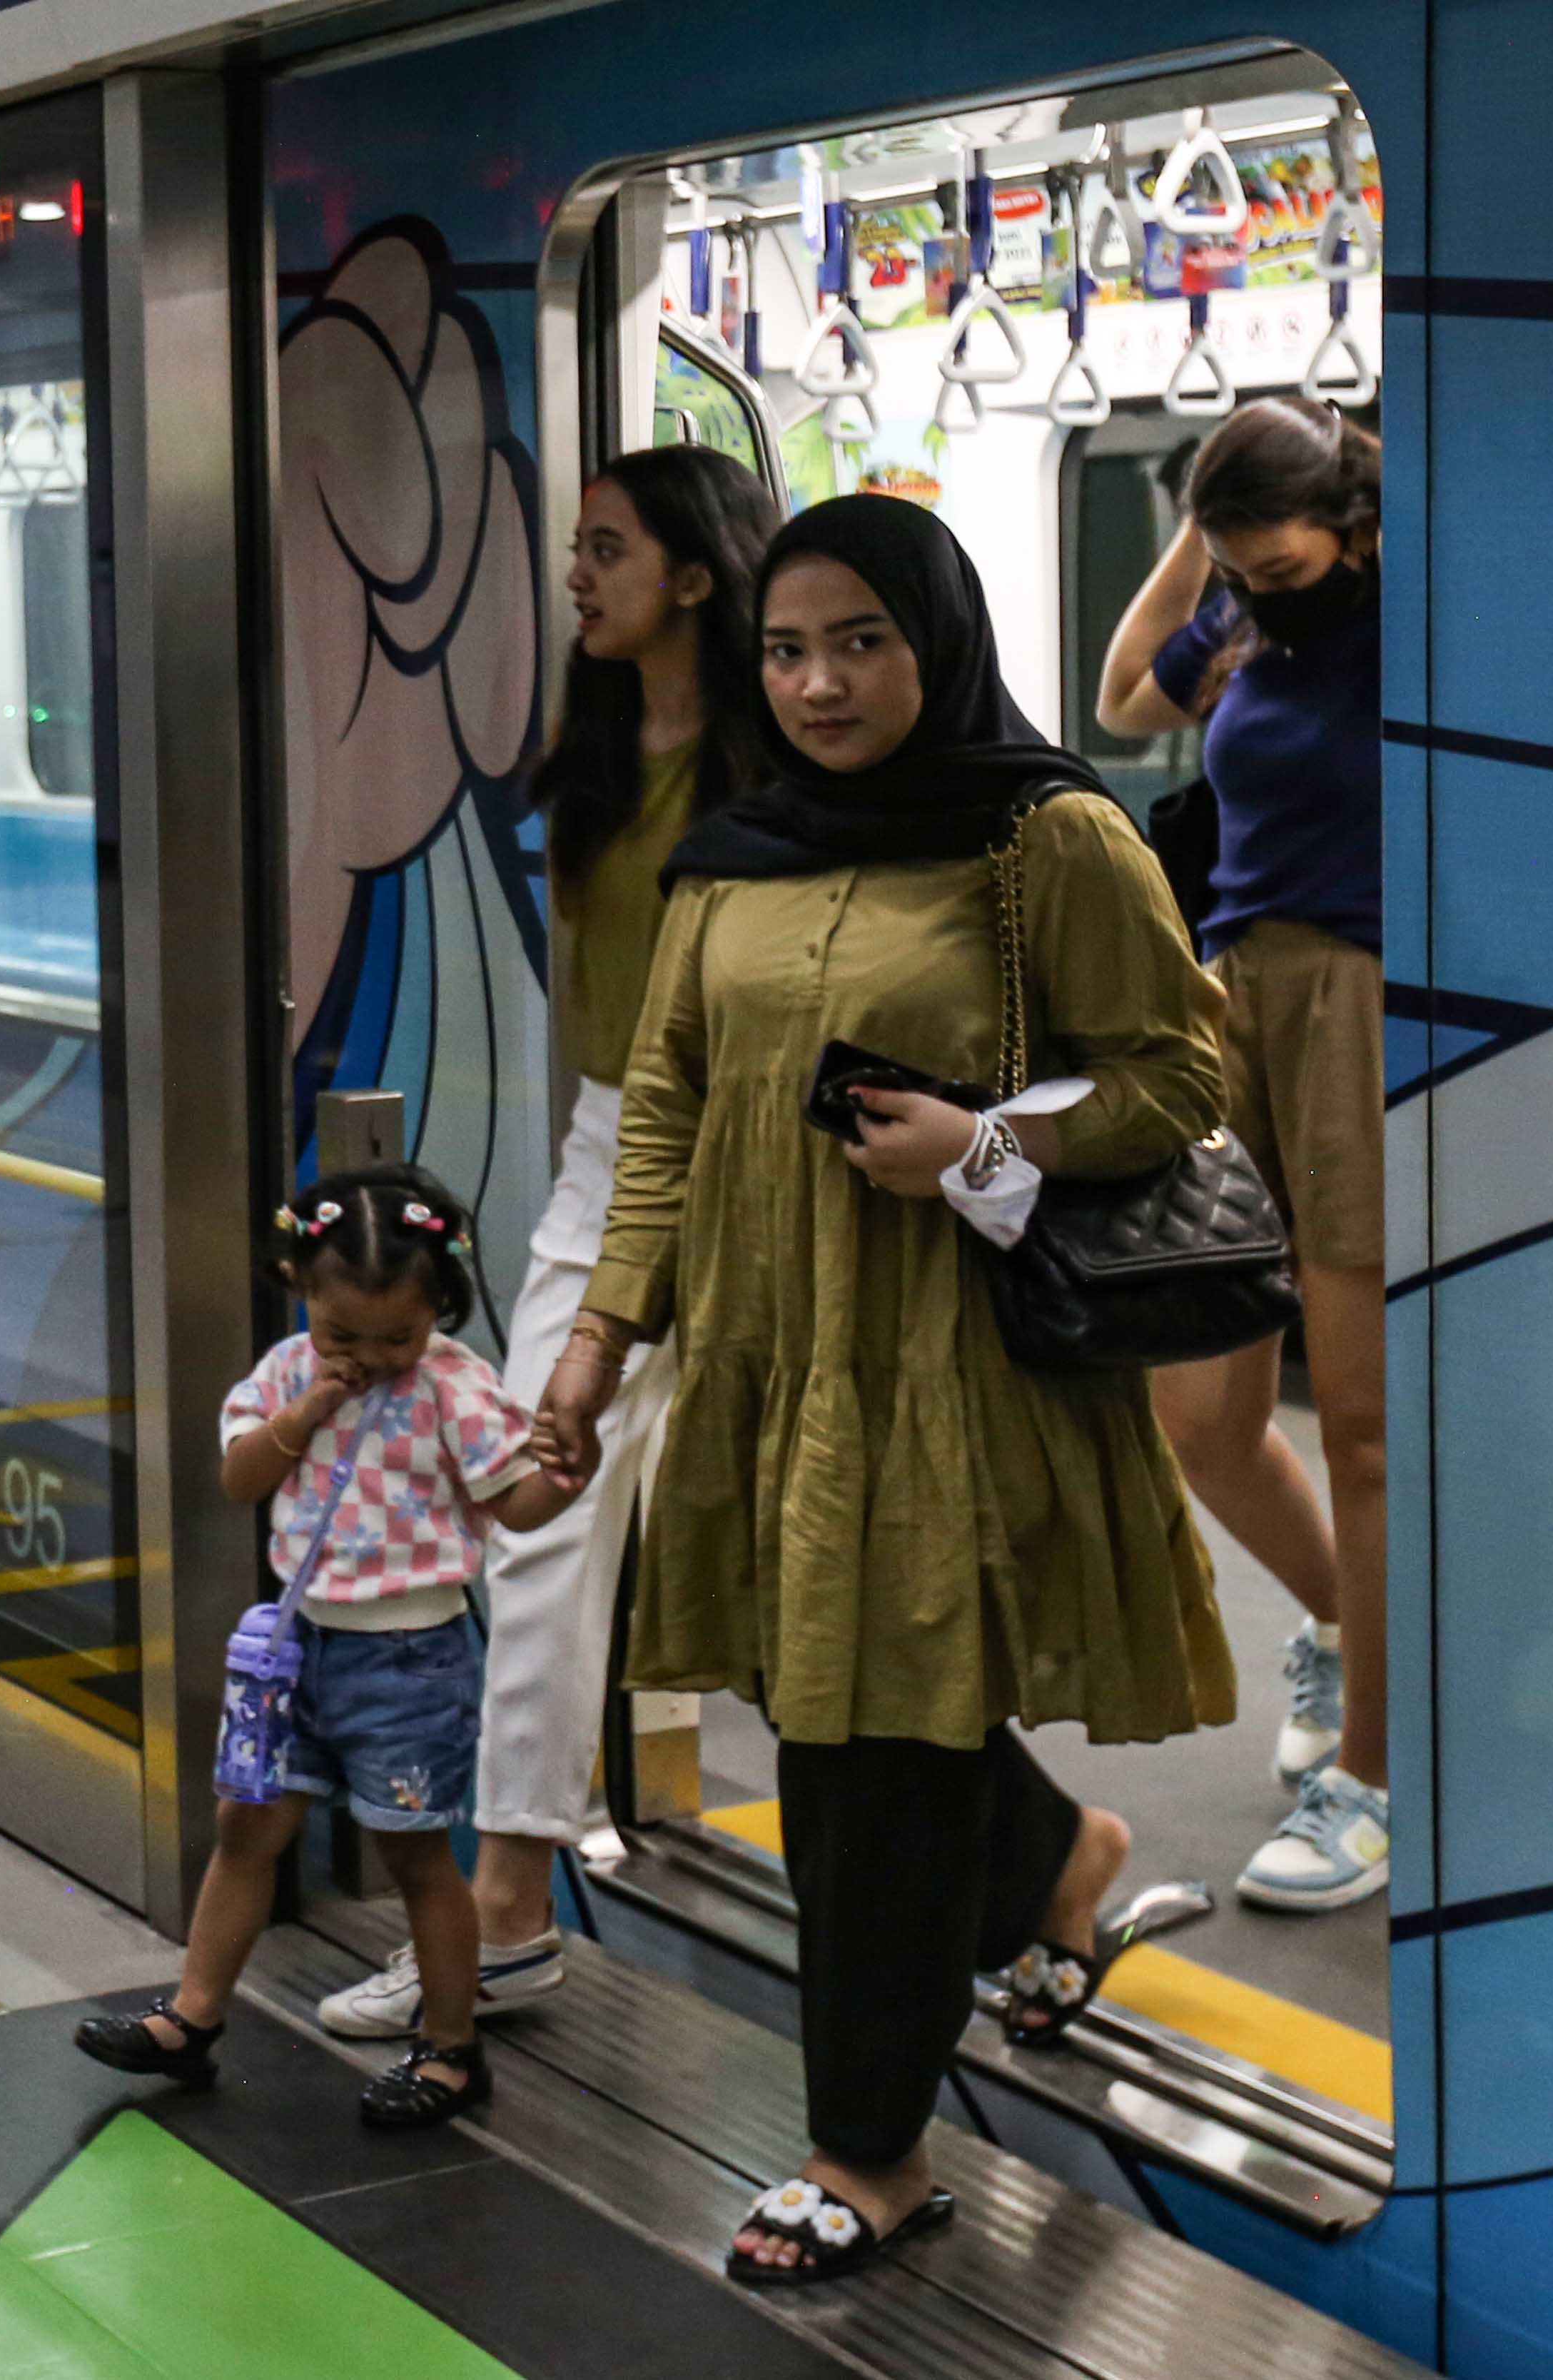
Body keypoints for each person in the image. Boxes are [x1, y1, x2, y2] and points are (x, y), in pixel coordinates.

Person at [537, 496, 1232, 2287]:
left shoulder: (1046, 835)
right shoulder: (732, 852)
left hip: (947, 1364)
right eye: (787, 649)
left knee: (867, 1763)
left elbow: (1173, 1080)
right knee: (840, 1692)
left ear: (936, 638)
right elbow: (670, 1106)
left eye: (861, 641)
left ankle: (873, 2151)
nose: (822, 682)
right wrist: (598, 1341)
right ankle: (1056, 1853)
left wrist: (984, 1139)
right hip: (769, 1362)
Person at [314, 446, 780, 2045]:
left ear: (696, 577)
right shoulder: (590, 749)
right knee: (535, 1515)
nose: (576, 575)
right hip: (610, 1151)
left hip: (767, 1165)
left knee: (797, 1561)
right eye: (575, 546)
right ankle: (506, 1908)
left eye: (605, 550)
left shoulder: (770, 754)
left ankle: (1039, 1863)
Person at [76, 1167, 570, 2127]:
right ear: (299, 1287)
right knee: (245, 1829)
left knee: (414, 1853)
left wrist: (566, 1471)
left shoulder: (457, 1388)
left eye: (401, 1336)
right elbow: (237, 1476)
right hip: (295, 1651)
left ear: (440, 1311)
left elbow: (516, 1504)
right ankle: (194, 2015)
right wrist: (304, 1410)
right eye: (344, 1334)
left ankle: (454, 2048)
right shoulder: (284, 1375)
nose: (373, 1358)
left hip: (410, 1658)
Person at [1094, 397, 1390, 1913]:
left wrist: (1335, 510)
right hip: (1231, 992)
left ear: (1347, 524)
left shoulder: (1401, 609)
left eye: (1277, 562)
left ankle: (1381, 1774)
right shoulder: (1243, 612)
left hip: (1358, 991)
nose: (1259, 588)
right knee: (1199, 1409)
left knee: (1357, 1422)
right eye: (1238, 566)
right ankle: (1351, 1628)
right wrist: (1198, 535)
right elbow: (1128, 700)